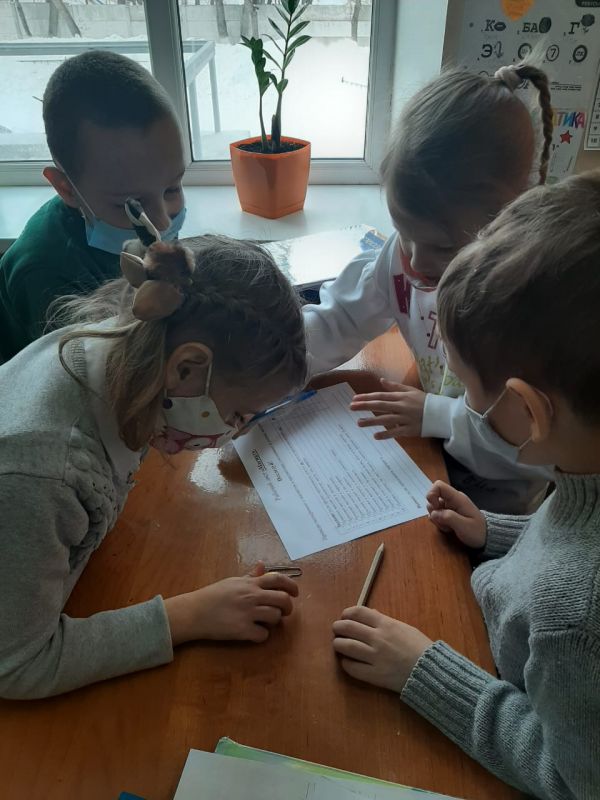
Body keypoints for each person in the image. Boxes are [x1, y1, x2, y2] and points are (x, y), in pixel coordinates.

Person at [332, 171, 600, 800]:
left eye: (469, 393)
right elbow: (565, 536)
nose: (465, 407)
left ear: (529, 413)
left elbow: (572, 778)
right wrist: (495, 533)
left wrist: (423, 670)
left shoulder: (574, 621)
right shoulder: (581, 471)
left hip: (501, 689)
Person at [0, 235, 306, 700]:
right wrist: (190, 615)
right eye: (239, 413)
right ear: (186, 369)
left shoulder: (119, 351)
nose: (237, 430)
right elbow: (19, 664)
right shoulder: (42, 477)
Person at [303, 64, 555, 514]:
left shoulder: (527, 311)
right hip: (426, 459)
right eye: (403, 231)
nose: (416, 262)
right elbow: (340, 319)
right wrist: (278, 367)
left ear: (507, 223)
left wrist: (435, 415)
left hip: (499, 505)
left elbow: (529, 453)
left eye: (443, 247)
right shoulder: (404, 258)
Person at [0, 50, 186, 361]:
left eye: (172, 188)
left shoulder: (129, 208)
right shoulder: (43, 272)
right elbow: (91, 372)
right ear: (66, 188)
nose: (163, 221)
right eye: (132, 206)